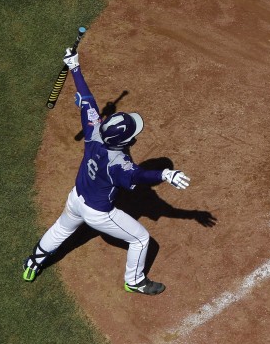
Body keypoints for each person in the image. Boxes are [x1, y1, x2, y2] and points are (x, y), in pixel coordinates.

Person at [22, 48, 191, 295]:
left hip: (76, 197)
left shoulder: (94, 130)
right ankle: (134, 281)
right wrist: (164, 174)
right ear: (123, 142)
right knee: (141, 239)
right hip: (98, 213)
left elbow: (87, 100)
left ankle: (32, 264)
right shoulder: (118, 165)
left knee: (61, 229)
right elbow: (138, 176)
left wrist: (75, 67)